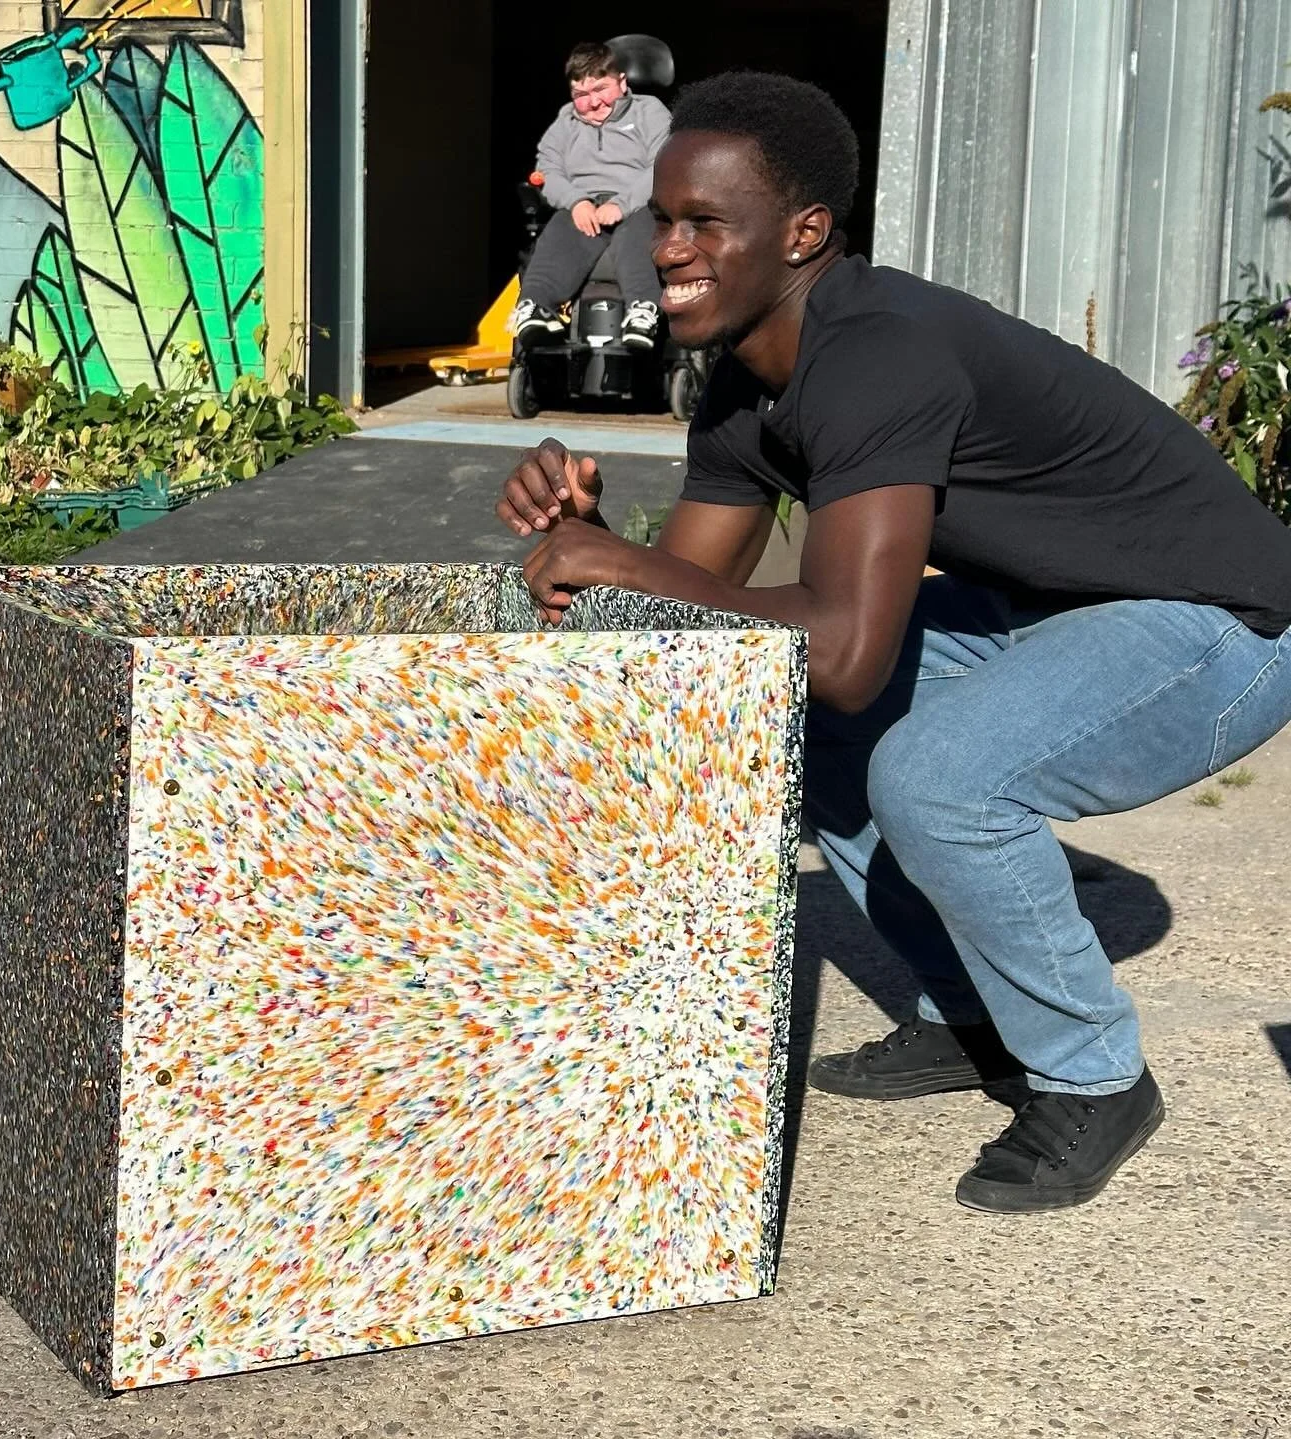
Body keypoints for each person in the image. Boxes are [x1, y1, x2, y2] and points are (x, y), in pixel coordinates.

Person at [494, 70, 1291, 1214]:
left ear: (805, 232)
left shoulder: (880, 353)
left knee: (938, 777)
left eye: (704, 223)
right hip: (1061, 605)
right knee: (795, 712)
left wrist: (620, 563)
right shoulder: (740, 382)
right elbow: (698, 604)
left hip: (1225, 622)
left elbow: (846, 649)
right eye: (661, 218)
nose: (664, 247)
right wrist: (591, 532)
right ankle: (966, 1010)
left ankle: (1092, 1073)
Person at [511, 41, 671, 350]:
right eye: (581, 95)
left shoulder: (648, 110)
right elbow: (548, 168)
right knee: (558, 228)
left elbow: (662, 164)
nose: (593, 102)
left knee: (638, 230)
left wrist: (621, 204)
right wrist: (576, 202)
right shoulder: (566, 120)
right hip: (584, 205)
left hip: (637, 203)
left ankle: (643, 310)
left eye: (601, 89)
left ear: (622, 83)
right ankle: (534, 308)